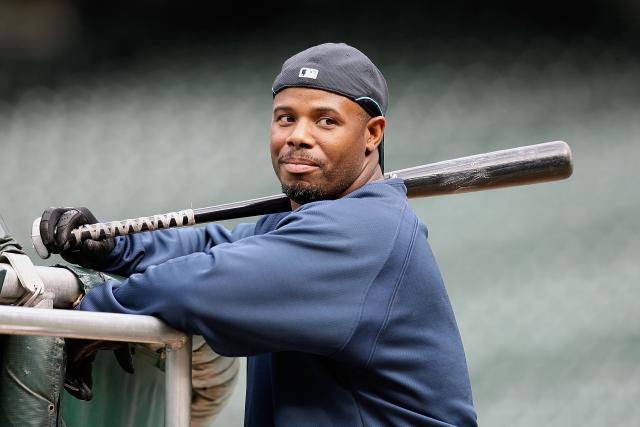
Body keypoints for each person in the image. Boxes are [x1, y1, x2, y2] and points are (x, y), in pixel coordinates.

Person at [40, 43, 478, 426]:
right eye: (286, 118)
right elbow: (213, 247)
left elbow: (201, 284)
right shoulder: (314, 220)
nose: (298, 136)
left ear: (372, 135)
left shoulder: (367, 231)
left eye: (326, 121)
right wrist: (115, 246)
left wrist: (89, 314)